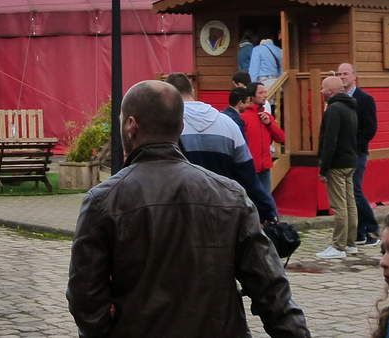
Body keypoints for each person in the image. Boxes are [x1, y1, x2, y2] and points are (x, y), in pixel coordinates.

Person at [67, 80, 309, 337]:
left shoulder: (103, 201)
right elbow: (270, 287)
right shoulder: (230, 195)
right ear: (180, 127)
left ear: (130, 126)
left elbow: (85, 296)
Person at [164, 73, 278, 222]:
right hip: (225, 215)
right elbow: (249, 177)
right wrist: (268, 212)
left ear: (167, 96)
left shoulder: (166, 127)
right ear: (192, 90)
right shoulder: (227, 123)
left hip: (184, 217)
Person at [316, 75, 358, 259]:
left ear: (331, 91)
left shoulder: (334, 109)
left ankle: (338, 246)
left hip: (337, 164)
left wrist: (323, 167)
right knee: (350, 203)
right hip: (350, 160)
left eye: (323, 88)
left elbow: (329, 141)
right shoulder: (351, 107)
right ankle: (350, 243)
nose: (321, 91)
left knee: (339, 205)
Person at [339, 62, 380, 246]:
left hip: (358, 152)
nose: (342, 77)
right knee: (349, 192)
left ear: (354, 76)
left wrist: (356, 145)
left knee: (355, 190)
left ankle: (371, 228)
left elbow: (371, 128)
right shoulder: (338, 99)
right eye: (339, 74)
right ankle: (359, 232)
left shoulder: (364, 99)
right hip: (344, 153)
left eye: (345, 73)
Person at [242, 82, 286, 194]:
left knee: (266, 200)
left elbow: (281, 138)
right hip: (249, 167)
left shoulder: (267, 117)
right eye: (261, 92)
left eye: (265, 92)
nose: (265, 95)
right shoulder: (243, 117)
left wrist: (269, 124)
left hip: (265, 167)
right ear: (252, 96)